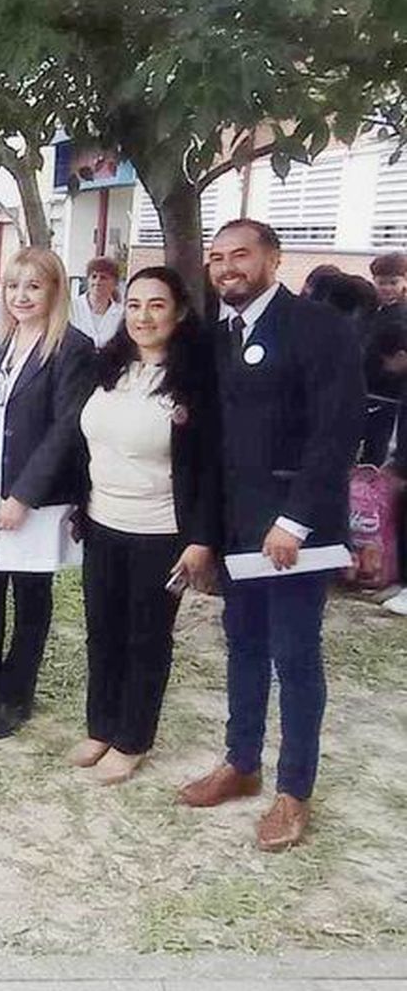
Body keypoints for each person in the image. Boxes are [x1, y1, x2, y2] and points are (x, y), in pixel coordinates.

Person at [179, 219, 363, 850]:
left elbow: (335, 434)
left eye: (241, 255)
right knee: (245, 648)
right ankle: (242, 762)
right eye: (217, 258)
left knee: (295, 656)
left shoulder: (319, 328)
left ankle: (293, 792)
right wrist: (205, 534)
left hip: (294, 536)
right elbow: (211, 446)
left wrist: (294, 523)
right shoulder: (218, 335)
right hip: (237, 533)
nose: (227, 267)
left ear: (273, 259)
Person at [73, 267, 221, 784]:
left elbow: (208, 469)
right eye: (134, 305)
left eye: (156, 305)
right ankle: (101, 726)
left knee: (145, 638)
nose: (143, 316)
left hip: (160, 533)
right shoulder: (108, 367)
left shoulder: (198, 383)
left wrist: (202, 538)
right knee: (101, 632)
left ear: (179, 312)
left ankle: (132, 739)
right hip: (101, 523)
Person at [0, 247, 95, 740]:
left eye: (33, 286)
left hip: (36, 495)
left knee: (31, 596)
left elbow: (66, 429)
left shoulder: (72, 347)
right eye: (13, 286)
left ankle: (16, 694)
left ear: (54, 290)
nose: (22, 296)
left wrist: (24, 496)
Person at [360, 253, 407, 464]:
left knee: (376, 449)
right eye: (381, 282)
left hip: (387, 395)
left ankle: (370, 494)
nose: (386, 288)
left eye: (393, 282)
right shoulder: (374, 311)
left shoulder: (401, 314)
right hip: (369, 390)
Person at [70, 256, 123, 349]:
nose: (97, 281)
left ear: (115, 283)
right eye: (94, 276)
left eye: (103, 277)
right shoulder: (71, 308)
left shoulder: (122, 314)